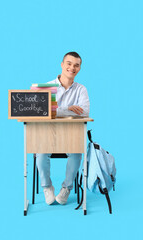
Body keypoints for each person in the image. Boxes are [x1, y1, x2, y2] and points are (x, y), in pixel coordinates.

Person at [36, 52, 90, 205]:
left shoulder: (81, 89)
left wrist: (56, 109)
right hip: (48, 133)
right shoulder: (47, 87)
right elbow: (42, 111)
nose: (72, 67)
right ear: (62, 64)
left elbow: (85, 111)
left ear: (79, 68)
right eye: (69, 63)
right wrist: (68, 109)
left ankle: (67, 188)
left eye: (76, 65)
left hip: (70, 135)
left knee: (76, 154)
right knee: (40, 155)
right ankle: (47, 187)